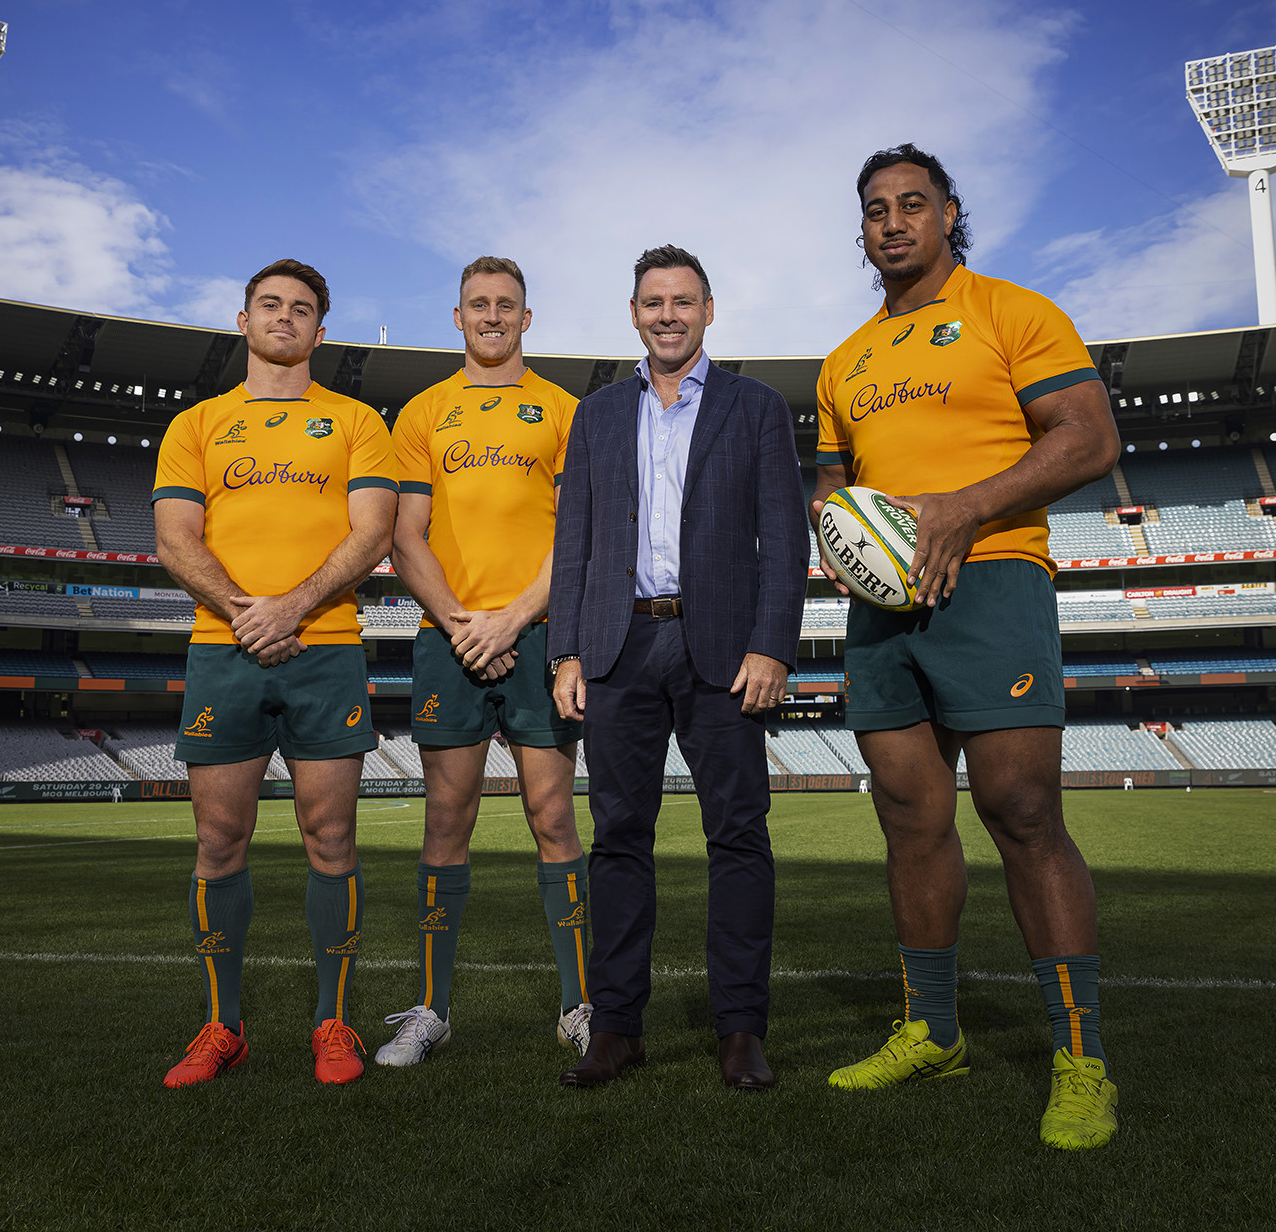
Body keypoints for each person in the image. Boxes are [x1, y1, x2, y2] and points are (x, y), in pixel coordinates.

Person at [812, 146, 1123, 1150]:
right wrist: (839, 535)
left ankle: (1081, 1060)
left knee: (1022, 810)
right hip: (884, 609)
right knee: (908, 815)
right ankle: (933, 1033)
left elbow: (1087, 436)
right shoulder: (843, 362)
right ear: (861, 230)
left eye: (912, 204)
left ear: (950, 213)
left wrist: (962, 511)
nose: (893, 222)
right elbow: (826, 484)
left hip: (993, 579)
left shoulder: (1014, 313)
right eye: (875, 210)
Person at [549, 245, 806, 1090]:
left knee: (738, 835)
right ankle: (617, 1026)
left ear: (708, 310)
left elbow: (783, 537)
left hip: (724, 649)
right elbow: (576, 542)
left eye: (683, 301)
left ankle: (741, 1028)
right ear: (632, 313)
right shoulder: (596, 415)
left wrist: (772, 644)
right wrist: (566, 651)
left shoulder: (757, 408)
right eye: (653, 301)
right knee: (619, 840)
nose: (668, 314)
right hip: (619, 647)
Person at [151, 258, 397, 1089]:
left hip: (325, 649)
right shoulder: (196, 425)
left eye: (301, 309)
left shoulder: (359, 421)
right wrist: (245, 611)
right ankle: (223, 1024)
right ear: (243, 319)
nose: (284, 318)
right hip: (222, 651)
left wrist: (287, 608)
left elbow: (371, 533)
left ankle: (334, 1019)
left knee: (331, 839)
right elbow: (175, 537)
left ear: (320, 330)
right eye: (270, 305)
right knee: (219, 842)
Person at [375, 256, 590, 1068]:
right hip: (449, 633)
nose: (492, 315)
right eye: (478, 305)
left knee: (553, 815)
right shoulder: (424, 412)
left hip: (539, 634)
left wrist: (511, 619)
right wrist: (466, 621)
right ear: (457, 317)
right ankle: (430, 1009)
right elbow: (405, 534)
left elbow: (575, 535)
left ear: (526, 319)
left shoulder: (563, 409)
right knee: (445, 819)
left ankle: (577, 1004)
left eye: (506, 305)